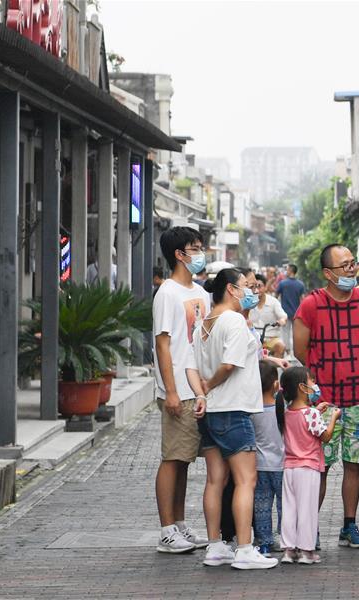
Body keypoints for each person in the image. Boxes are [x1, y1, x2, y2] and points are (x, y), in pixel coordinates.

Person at [293, 244, 359, 551]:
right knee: (320, 466)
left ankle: (349, 525)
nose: (351, 269)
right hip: (324, 402)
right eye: (344, 265)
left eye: (352, 263)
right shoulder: (311, 305)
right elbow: (300, 351)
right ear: (328, 274)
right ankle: (310, 528)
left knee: (354, 464)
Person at [193, 268, 278, 569]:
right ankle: (244, 548)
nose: (250, 291)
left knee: (215, 480)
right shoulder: (233, 320)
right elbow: (229, 365)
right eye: (245, 286)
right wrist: (210, 385)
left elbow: (194, 365)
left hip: (211, 411)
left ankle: (215, 546)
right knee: (246, 480)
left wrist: (204, 391)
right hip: (233, 409)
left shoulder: (204, 323)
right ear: (231, 289)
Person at [152, 226, 211, 554]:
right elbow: (163, 344)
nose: (200, 253)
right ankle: (166, 531)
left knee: (185, 460)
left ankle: (179, 524)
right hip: (178, 389)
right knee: (173, 458)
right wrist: (171, 391)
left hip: (197, 388)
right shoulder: (168, 293)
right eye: (195, 248)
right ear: (179, 254)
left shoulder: (200, 293)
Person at [279, 366, 341, 565]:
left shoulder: (287, 412)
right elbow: (326, 436)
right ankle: (307, 551)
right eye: (311, 381)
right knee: (307, 509)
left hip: (289, 468)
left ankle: (289, 550)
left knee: (289, 509)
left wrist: (316, 411)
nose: (315, 385)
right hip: (308, 468)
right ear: (302, 387)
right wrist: (333, 418)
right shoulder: (311, 414)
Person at [251, 360, 285, 556]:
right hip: (281, 466)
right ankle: (285, 537)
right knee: (284, 504)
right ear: (275, 384)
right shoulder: (283, 410)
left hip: (259, 466)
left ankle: (264, 542)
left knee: (261, 505)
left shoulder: (251, 412)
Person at [250, 273, 289, 358]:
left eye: (259, 286)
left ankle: (275, 365)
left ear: (265, 287)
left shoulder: (273, 302)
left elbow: (283, 316)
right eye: (254, 287)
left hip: (271, 338)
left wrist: (281, 321)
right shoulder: (249, 302)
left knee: (280, 346)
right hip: (253, 338)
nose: (257, 290)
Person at [277, 264, 306, 350]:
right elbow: (303, 299)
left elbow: (276, 296)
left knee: (285, 333)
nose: (286, 271)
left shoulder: (282, 283)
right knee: (296, 333)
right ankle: (296, 350)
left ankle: (287, 351)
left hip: (284, 313)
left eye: (287, 269)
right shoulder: (300, 284)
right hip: (296, 313)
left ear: (290, 271)